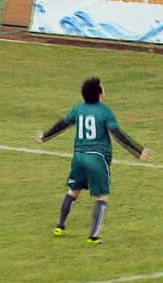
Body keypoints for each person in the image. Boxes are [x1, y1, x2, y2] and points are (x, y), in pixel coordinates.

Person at [36, 77, 153, 245]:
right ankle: (93, 237)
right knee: (102, 196)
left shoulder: (78, 109)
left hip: (79, 157)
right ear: (99, 92)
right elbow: (118, 135)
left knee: (73, 191)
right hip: (97, 158)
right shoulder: (105, 112)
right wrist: (138, 151)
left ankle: (60, 226)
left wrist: (45, 136)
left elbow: (62, 124)